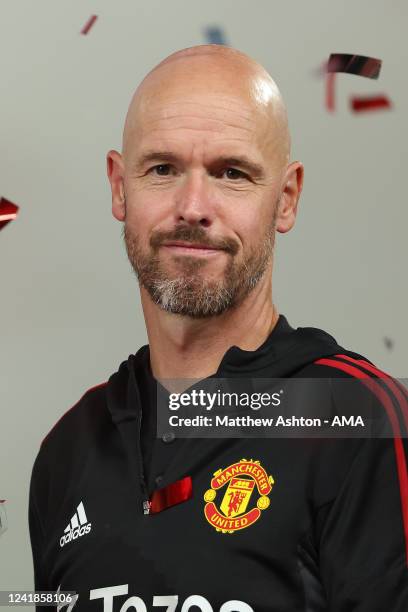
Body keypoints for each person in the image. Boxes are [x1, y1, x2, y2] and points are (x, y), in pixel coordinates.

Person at [29, 45, 408, 611]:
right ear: (118, 187)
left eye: (232, 173)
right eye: (163, 169)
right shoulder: (70, 448)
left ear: (286, 198)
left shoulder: (360, 423)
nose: (193, 206)